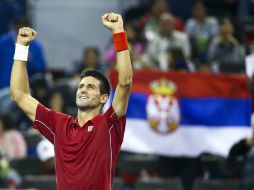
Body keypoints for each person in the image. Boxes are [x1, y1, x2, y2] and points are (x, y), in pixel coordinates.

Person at [10, 12, 133, 190]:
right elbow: (19, 95)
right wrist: (21, 47)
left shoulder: (110, 125)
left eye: (91, 87)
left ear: (103, 98)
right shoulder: (60, 125)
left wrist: (119, 32)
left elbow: (125, 81)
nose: (83, 89)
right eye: (81, 86)